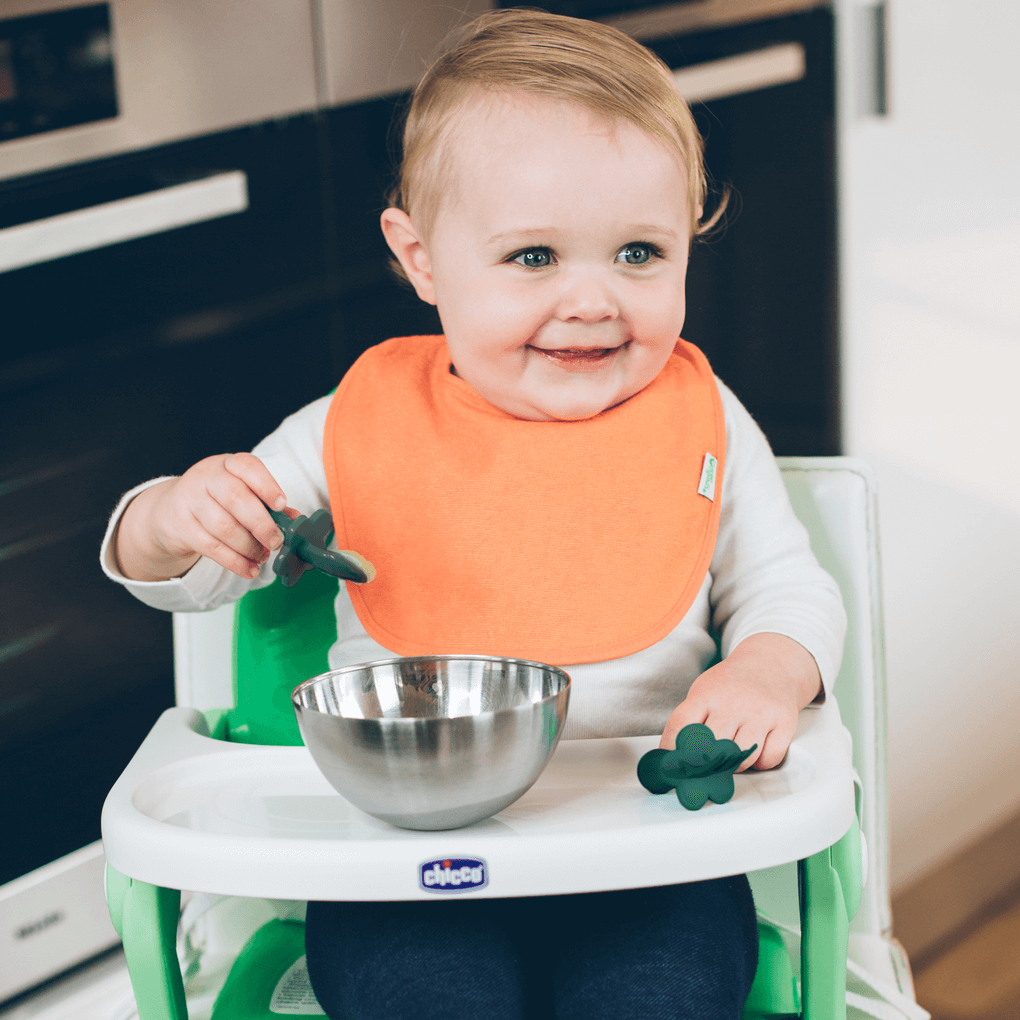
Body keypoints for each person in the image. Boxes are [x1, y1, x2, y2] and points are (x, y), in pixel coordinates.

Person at [102, 9, 846, 1019]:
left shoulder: (705, 421)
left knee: (659, 999)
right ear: (420, 259)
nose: (593, 301)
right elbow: (197, 570)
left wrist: (764, 668)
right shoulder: (350, 426)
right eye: (534, 258)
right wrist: (176, 514)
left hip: (649, 856)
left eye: (638, 253)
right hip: (403, 862)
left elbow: (788, 589)